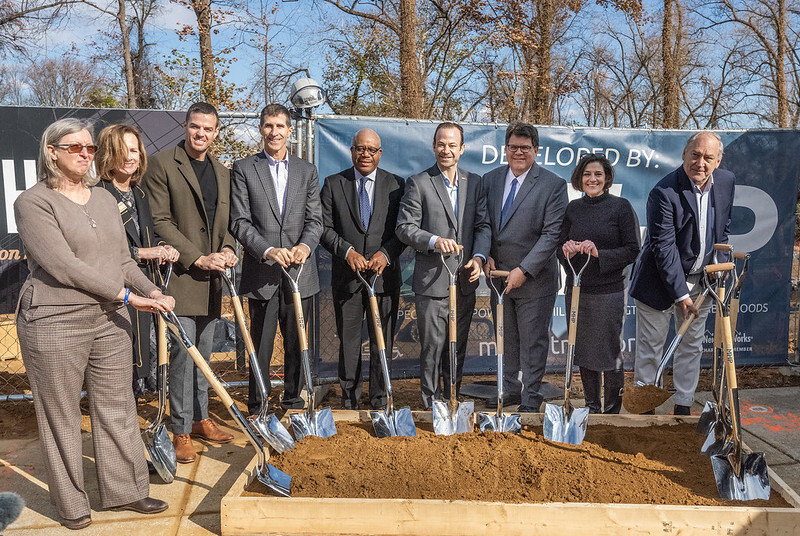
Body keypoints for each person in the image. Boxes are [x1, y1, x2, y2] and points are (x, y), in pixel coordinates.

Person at [14, 118, 174, 530]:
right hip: (55, 319)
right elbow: (64, 267)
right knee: (61, 414)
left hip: (109, 320)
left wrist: (150, 291)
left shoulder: (104, 199)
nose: (86, 154)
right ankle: (71, 504)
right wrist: (126, 297)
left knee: (118, 406)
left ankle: (126, 491)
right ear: (52, 152)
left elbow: (123, 261)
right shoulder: (33, 203)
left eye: (89, 148)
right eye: (76, 148)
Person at [143, 102, 238, 463]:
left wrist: (229, 249)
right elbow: (161, 221)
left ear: (216, 132)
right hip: (182, 277)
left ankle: (200, 419)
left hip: (214, 279)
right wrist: (196, 257)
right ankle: (180, 429)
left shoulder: (222, 171)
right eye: (195, 126)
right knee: (184, 355)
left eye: (208, 129)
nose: (201, 134)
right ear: (185, 126)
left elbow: (230, 221)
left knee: (205, 354)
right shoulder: (163, 165)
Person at [629, 131, 734, 415]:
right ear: (684, 155)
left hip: (701, 283)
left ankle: (684, 406)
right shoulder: (664, 192)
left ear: (718, 161)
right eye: (695, 155)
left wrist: (716, 266)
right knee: (651, 348)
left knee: (691, 346)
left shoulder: (725, 183)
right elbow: (663, 249)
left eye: (708, 158)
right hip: (658, 284)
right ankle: (644, 408)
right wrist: (680, 295)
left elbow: (722, 230)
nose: (700, 163)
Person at [229, 104, 322, 413]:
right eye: (269, 126)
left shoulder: (306, 171)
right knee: (262, 345)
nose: (274, 132)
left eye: (280, 126)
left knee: (297, 345)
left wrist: (305, 248)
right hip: (263, 274)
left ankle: (294, 402)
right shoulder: (244, 169)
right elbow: (240, 222)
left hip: (299, 275)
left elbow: (315, 221)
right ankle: (259, 406)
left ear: (289, 131)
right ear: (261, 129)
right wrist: (268, 250)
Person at [396, 122, 490, 410]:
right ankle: (429, 404)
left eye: (452, 145)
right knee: (432, 348)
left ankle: (452, 400)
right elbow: (405, 228)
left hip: (463, 280)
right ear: (434, 146)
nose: (445, 150)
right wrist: (435, 240)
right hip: (433, 281)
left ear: (462, 149)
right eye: (441, 144)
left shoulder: (474, 183)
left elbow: (483, 226)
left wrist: (479, 258)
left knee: (456, 346)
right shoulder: (419, 182)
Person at [483, 123, 567, 412]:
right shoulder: (490, 180)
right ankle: (509, 391)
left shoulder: (552, 184)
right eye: (513, 147)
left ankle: (531, 399)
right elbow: (484, 225)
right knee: (505, 341)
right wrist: (485, 255)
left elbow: (551, 235)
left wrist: (525, 269)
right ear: (505, 149)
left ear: (536, 150)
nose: (518, 152)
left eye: (525, 148)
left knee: (533, 344)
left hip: (535, 281)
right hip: (498, 279)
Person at [320, 128, 406, 409]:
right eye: (360, 148)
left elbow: (402, 231)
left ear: (379, 154)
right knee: (349, 342)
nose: (365, 154)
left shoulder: (396, 185)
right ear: (352, 150)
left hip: (384, 279)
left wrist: (386, 253)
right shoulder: (334, 184)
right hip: (348, 278)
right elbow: (323, 227)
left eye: (371, 150)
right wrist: (347, 252)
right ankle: (350, 399)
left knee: (383, 343)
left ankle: (381, 399)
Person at [95, 124, 180, 398]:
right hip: (115, 293)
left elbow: (146, 237)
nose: (130, 157)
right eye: (122, 151)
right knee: (123, 364)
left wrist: (162, 248)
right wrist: (144, 254)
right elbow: (100, 252)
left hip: (146, 286)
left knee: (151, 352)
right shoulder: (98, 195)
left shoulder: (140, 194)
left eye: (134, 150)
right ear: (108, 154)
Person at [556, 155, 640, 414]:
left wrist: (599, 253)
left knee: (608, 350)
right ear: (579, 179)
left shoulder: (621, 207)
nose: (592, 179)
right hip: (578, 289)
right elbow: (558, 248)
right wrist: (567, 249)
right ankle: (591, 406)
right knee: (582, 349)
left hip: (609, 291)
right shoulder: (572, 209)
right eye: (587, 174)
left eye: (598, 174)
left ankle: (613, 408)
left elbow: (632, 249)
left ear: (607, 179)